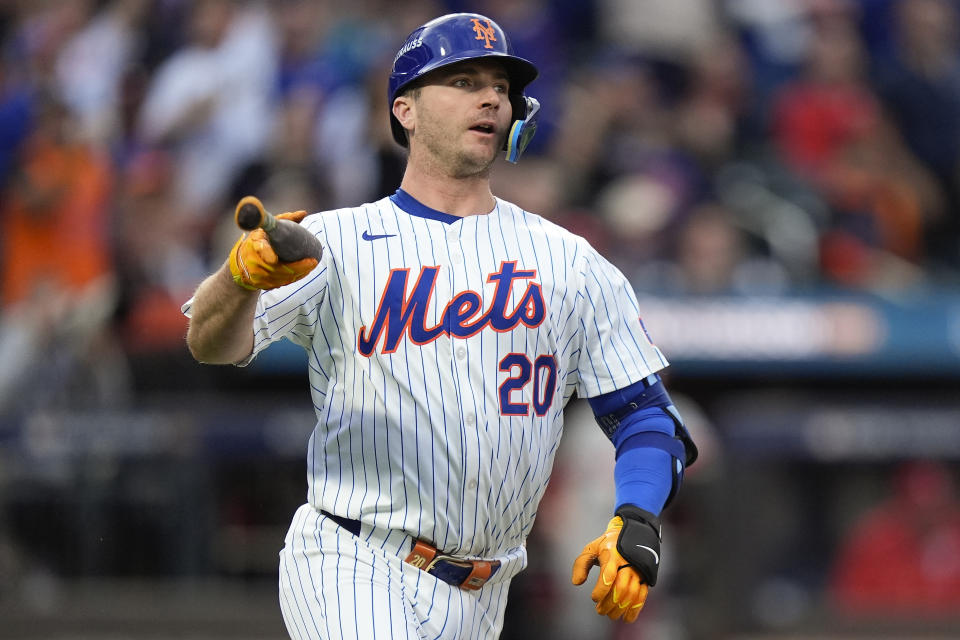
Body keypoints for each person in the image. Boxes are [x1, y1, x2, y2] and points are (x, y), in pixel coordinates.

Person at [183, 13, 696, 639]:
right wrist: (238, 280)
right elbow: (211, 344)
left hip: (487, 590)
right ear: (405, 109)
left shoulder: (569, 261)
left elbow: (645, 415)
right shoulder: (335, 243)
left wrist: (637, 517)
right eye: (461, 81)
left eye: (500, 87)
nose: (488, 97)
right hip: (354, 558)